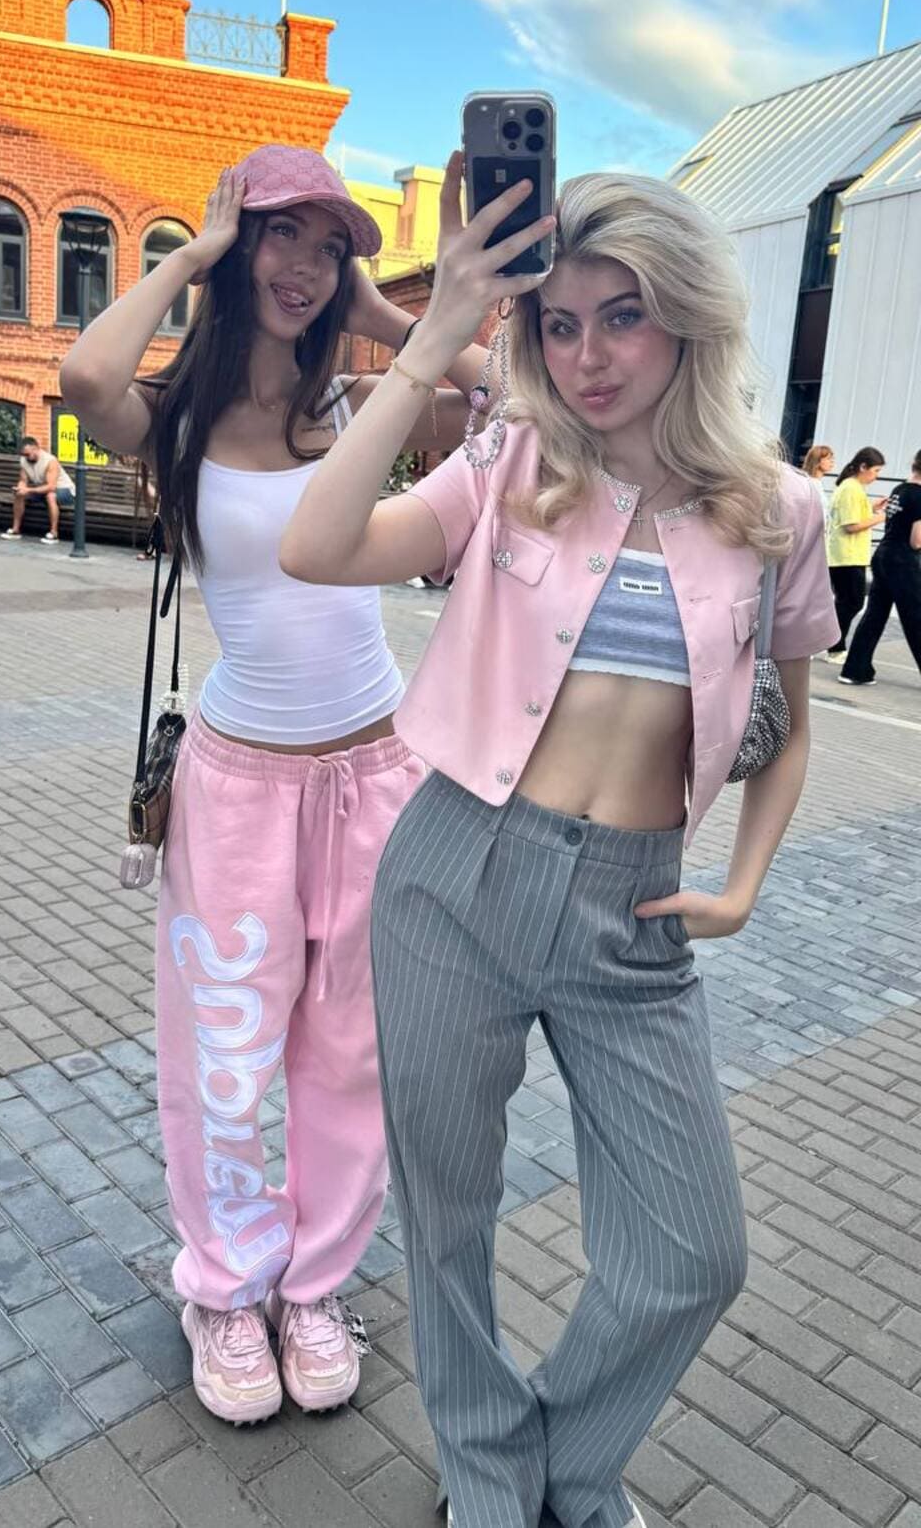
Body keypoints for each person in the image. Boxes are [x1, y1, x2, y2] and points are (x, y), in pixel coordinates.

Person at [280, 156, 839, 1528]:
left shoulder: (779, 511)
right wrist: (432, 338)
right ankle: (487, 1472)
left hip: (633, 915)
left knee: (692, 1250)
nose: (590, 356)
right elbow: (316, 546)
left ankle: (569, 1461)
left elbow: (791, 726)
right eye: (562, 322)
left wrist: (742, 886)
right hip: (454, 874)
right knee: (448, 1209)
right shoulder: (512, 462)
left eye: (624, 316)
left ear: (689, 317)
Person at [59, 144, 490, 1427]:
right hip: (238, 788)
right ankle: (224, 1286)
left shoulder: (361, 405)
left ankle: (312, 1287)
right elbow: (85, 379)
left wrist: (382, 314)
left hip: (379, 774)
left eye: (328, 244)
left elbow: (502, 391)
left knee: (352, 1053)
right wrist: (190, 257)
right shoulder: (179, 421)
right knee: (228, 1053)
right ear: (237, 243)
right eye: (280, 234)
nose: (303, 264)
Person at [840, 448, 921, 686]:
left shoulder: (899, 490)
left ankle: (855, 669)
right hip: (903, 561)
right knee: (916, 616)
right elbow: (916, 540)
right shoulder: (919, 496)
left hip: (883, 555)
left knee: (875, 615)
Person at [824, 446, 887, 660]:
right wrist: (882, 517)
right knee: (850, 603)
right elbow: (851, 525)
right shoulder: (851, 488)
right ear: (863, 467)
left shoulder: (852, 487)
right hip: (846, 556)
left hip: (849, 556)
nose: (876, 476)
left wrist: (871, 508)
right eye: (876, 471)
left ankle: (832, 644)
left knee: (847, 602)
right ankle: (834, 647)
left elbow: (854, 516)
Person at [0, 436, 75, 542]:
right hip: (42, 489)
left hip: (64, 490)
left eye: (28, 454)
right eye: (24, 455)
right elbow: (23, 480)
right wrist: (20, 487)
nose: (26, 457)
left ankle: (54, 533)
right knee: (20, 494)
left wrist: (28, 490)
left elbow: (51, 486)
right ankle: (15, 530)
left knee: (50, 495)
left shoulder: (50, 461)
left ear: (36, 448)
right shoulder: (24, 461)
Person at [801, 441, 835, 526]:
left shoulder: (818, 483)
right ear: (818, 461)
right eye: (828, 458)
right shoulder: (810, 483)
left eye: (832, 458)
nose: (832, 461)